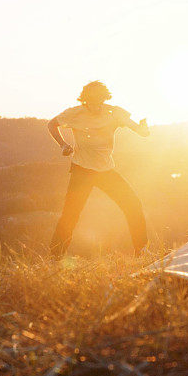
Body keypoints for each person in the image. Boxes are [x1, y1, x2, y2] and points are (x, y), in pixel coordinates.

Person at [47, 81, 150, 259]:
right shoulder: (74, 113)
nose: (95, 105)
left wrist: (144, 129)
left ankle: (141, 251)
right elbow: (51, 124)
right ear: (84, 100)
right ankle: (56, 256)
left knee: (133, 205)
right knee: (70, 214)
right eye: (90, 101)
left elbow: (140, 131)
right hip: (82, 170)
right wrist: (63, 144)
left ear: (104, 98)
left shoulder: (115, 112)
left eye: (99, 100)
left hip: (105, 170)